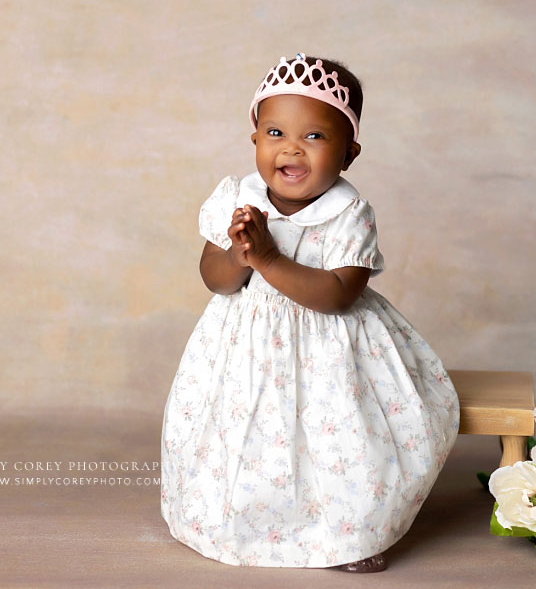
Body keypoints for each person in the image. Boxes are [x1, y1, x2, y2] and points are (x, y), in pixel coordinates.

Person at [161, 53, 460, 572]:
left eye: (315, 137)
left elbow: (338, 293)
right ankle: (238, 522)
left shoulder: (349, 213)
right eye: (274, 131)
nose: (291, 147)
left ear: (349, 153)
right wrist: (239, 252)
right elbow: (216, 278)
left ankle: (347, 534)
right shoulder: (238, 200)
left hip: (331, 352)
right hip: (246, 347)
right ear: (254, 138)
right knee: (247, 432)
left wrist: (271, 258)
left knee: (336, 437)